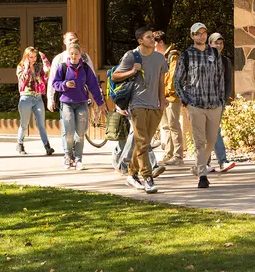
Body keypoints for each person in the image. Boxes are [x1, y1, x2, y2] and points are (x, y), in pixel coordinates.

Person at [112, 26, 167, 194]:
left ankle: (132, 173)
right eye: (149, 37)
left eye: (153, 37)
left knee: (143, 142)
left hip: (155, 105)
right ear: (140, 40)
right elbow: (115, 76)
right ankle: (148, 177)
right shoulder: (131, 56)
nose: (153, 40)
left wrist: (162, 101)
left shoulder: (159, 58)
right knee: (143, 141)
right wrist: (132, 70)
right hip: (137, 104)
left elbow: (161, 81)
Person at [174, 22, 225, 188]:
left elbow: (220, 78)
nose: (201, 36)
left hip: (214, 104)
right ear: (192, 36)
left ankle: (198, 165)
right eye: (197, 33)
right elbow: (177, 81)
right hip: (195, 104)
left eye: (203, 33)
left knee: (211, 140)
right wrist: (186, 101)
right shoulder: (186, 55)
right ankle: (202, 175)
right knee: (199, 141)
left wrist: (221, 100)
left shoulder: (214, 53)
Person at [50, 42, 106, 170]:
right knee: (69, 132)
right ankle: (68, 155)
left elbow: (93, 86)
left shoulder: (85, 68)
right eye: (71, 54)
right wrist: (64, 84)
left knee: (80, 132)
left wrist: (100, 103)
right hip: (66, 103)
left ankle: (78, 158)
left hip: (81, 103)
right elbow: (55, 83)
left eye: (76, 54)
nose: (74, 56)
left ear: (81, 55)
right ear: (68, 55)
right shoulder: (63, 67)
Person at [16, 47, 54, 156]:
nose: (33, 59)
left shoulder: (38, 67)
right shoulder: (20, 67)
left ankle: (47, 146)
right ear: (26, 57)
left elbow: (48, 74)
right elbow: (22, 80)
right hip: (26, 98)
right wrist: (27, 68)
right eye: (31, 57)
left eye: (35, 57)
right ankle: (20, 143)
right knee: (24, 123)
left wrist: (44, 59)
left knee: (41, 124)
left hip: (38, 98)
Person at [155, 30, 184, 170]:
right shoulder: (161, 56)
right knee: (165, 126)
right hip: (162, 96)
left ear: (160, 42)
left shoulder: (173, 55)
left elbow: (172, 77)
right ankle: (168, 153)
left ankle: (178, 156)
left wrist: (165, 94)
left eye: (154, 44)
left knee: (174, 126)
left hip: (171, 96)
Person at [208, 32, 236, 173]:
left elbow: (228, 81)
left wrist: (224, 99)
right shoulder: (204, 59)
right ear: (210, 44)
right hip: (203, 101)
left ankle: (222, 161)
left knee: (214, 129)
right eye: (216, 43)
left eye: (221, 43)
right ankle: (206, 162)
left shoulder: (226, 61)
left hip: (219, 101)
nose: (219, 45)